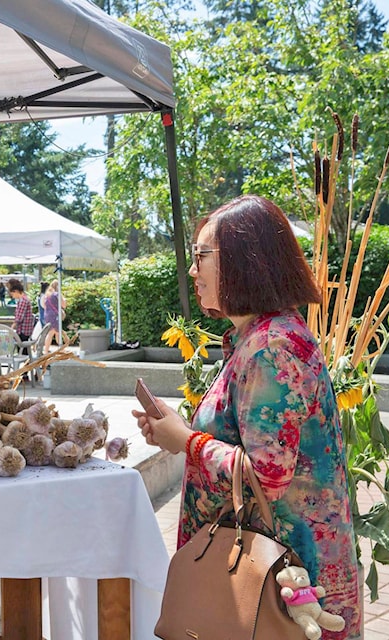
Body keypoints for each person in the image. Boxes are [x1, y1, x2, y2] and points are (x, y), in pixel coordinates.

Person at [133, 195, 360, 638]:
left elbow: (268, 477)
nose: (193, 270)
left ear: (243, 260)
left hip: (283, 590)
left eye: (201, 256)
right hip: (268, 579)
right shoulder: (258, 337)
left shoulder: (272, 347)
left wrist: (186, 441)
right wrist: (173, 431)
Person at [7, 278, 33, 355]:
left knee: (22, 351)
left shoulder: (23, 301)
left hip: (23, 330)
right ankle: (26, 364)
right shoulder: (24, 299)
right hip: (26, 329)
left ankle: (25, 364)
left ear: (16, 291)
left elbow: (19, 318)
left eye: (12, 294)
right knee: (23, 350)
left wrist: (12, 327)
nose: (13, 296)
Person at [41, 279, 65, 354]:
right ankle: (48, 350)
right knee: (53, 333)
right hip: (55, 315)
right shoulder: (57, 294)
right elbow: (64, 305)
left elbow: (44, 306)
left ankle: (49, 349)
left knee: (54, 332)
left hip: (47, 315)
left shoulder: (47, 295)